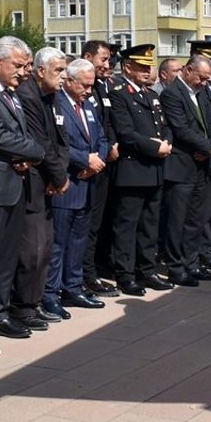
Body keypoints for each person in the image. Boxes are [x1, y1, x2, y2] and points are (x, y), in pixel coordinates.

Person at [0, 37, 45, 338]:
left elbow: (18, 134)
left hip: (15, 182)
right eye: (18, 65)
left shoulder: (11, 93)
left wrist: (26, 156)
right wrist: (36, 151)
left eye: (26, 66)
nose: (22, 71)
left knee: (6, 257)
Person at [108, 44, 174, 296]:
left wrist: (167, 143)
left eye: (149, 66)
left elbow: (164, 126)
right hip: (133, 169)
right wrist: (153, 147)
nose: (148, 71)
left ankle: (147, 270)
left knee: (149, 225)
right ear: (127, 68)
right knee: (127, 225)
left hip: (155, 169)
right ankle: (126, 274)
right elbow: (125, 132)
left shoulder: (151, 95)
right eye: (142, 67)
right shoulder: (119, 94)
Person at [14, 47, 71, 323]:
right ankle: (23, 306)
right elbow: (41, 143)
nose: (63, 77)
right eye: (58, 71)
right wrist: (58, 178)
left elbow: (61, 139)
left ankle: (34, 303)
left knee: (46, 247)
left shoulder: (54, 96)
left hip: (49, 180)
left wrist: (60, 177)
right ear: (40, 71)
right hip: (34, 181)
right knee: (32, 250)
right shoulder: (28, 96)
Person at [49, 58, 109, 311]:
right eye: (84, 85)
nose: (88, 90)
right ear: (70, 81)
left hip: (88, 183)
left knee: (78, 241)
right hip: (68, 182)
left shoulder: (88, 106)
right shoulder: (57, 104)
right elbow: (56, 143)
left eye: (92, 86)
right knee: (58, 243)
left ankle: (73, 287)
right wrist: (84, 160)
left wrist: (98, 160)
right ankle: (50, 292)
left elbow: (102, 138)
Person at [159, 55, 211, 286]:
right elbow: (181, 128)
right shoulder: (172, 93)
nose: (205, 83)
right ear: (188, 70)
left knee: (196, 218)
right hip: (182, 165)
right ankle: (176, 267)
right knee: (178, 220)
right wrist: (207, 146)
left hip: (202, 163)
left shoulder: (203, 92)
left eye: (208, 79)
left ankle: (192, 262)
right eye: (201, 78)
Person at [79, 41, 119, 299]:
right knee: (84, 226)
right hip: (84, 165)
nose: (107, 65)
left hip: (102, 163)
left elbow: (106, 125)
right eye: (103, 59)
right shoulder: (77, 88)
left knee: (97, 224)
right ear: (87, 57)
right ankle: (84, 275)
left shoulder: (103, 87)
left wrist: (107, 150)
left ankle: (91, 271)